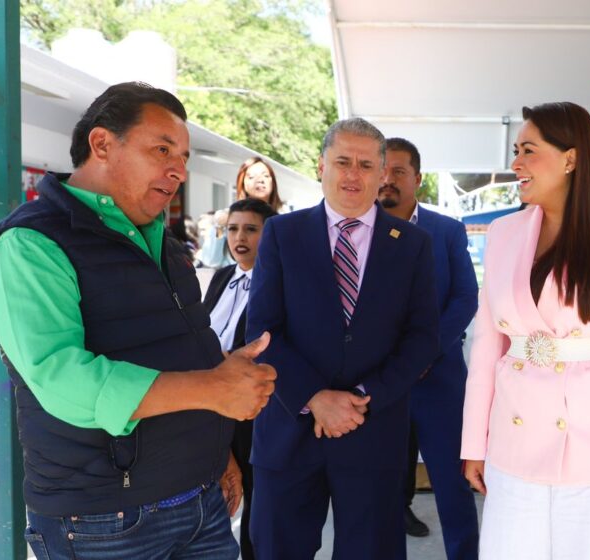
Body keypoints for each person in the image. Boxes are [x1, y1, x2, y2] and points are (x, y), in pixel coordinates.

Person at [0, 81, 277, 558]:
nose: (178, 170)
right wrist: (215, 390)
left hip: (201, 500)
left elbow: (184, 352)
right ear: (101, 144)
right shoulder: (31, 245)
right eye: (162, 150)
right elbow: (63, 378)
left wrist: (221, 452)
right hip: (105, 521)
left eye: (183, 158)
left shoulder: (169, 247)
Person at [461, 101, 590, 560]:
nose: (515, 163)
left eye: (529, 150)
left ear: (571, 158)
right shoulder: (501, 233)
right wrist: (474, 444)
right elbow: (486, 350)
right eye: (516, 150)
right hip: (513, 448)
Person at [246, 117, 440, 559]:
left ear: (382, 172)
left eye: (367, 165)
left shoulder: (412, 244)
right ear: (321, 166)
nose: (354, 174)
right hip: (290, 431)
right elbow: (261, 329)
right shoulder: (281, 234)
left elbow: (422, 338)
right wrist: (315, 397)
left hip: (372, 433)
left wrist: (358, 398)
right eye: (343, 162)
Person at [380, 137, 480, 559]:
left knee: (452, 484)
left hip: (438, 380)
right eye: (381, 170)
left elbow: (465, 297)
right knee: (379, 488)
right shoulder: (356, 230)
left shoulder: (446, 230)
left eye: (399, 172)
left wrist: (423, 354)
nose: (387, 180)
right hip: (379, 382)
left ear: (417, 179)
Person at [203, 197, 278, 560]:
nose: (239, 237)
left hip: (250, 404)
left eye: (251, 229)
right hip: (206, 399)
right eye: (232, 229)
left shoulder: (276, 282)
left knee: (253, 496)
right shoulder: (221, 276)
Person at [199, 157, 284, 268]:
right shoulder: (227, 218)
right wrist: (219, 227)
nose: (260, 180)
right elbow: (210, 259)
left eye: (266, 176)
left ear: (273, 181)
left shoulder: (286, 220)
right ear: (242, 182)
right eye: (252, 177)